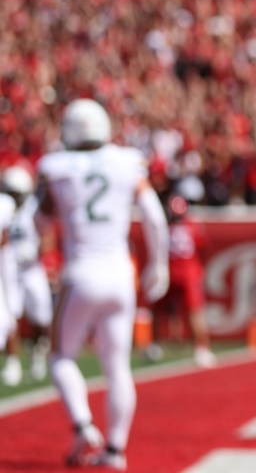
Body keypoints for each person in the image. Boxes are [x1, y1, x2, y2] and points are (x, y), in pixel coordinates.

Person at [36, 98, 170, 470]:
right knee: (118, 368)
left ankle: (82, 424)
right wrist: (158, 264)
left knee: (61, 356)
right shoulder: (127, 162)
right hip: (120, 276)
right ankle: (115, 450)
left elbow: (40, 223)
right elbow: (155, 219)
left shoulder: (57, 167)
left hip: (80, 272)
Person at [0, 165, 54, 385]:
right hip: (9, 271)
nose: (13, 198)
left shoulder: (33, 208)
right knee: (11, 314)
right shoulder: (3, 207)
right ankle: (13, 363)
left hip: (32, 269)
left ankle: (37, 353)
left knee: (41, 316)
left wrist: (42, 253)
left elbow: (47, 233)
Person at [148, 194, 215, 368]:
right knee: (194, 311)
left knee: (176, 310)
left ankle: (156, 345)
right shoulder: (193, 225)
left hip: (173, 271)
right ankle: (202, 349)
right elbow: (204, 247)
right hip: (186, 271)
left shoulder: (165, 226)